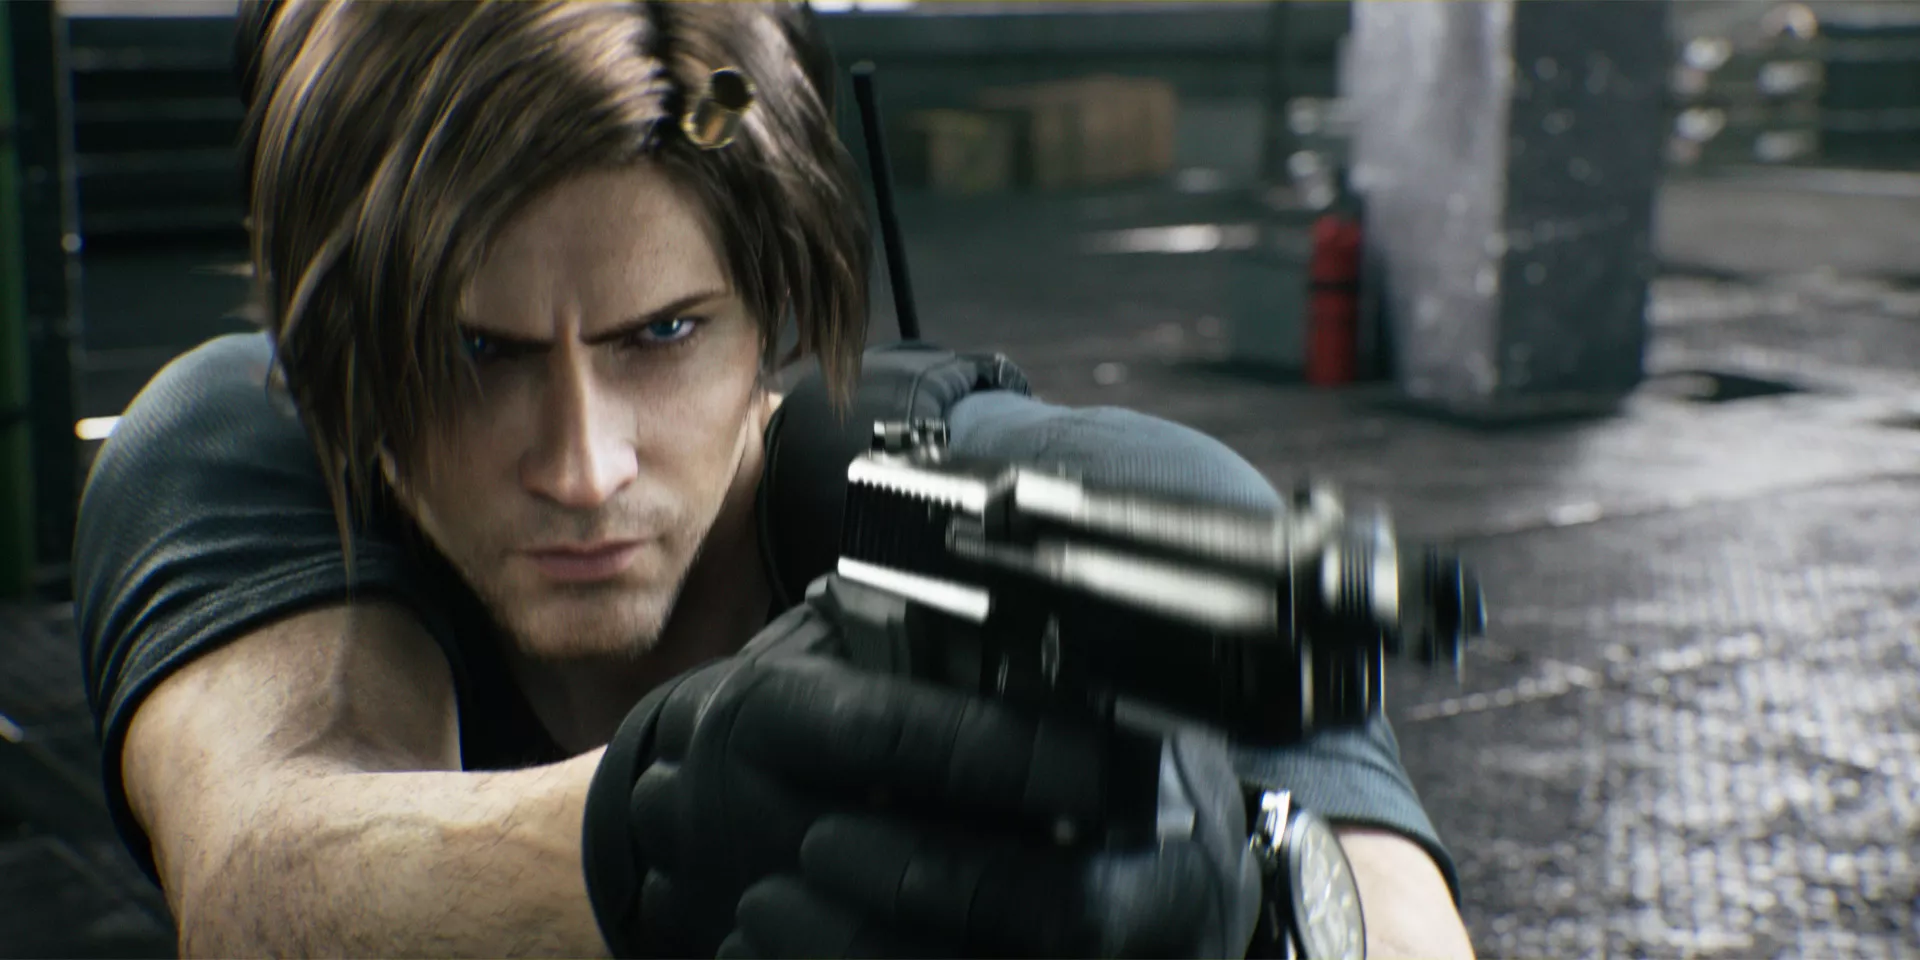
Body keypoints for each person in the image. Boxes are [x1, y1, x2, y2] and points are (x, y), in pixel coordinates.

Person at [72, 2, 1474, 956]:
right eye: (473, 353)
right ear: (337, 356)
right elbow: (260, 878)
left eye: (662, 336)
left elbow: (1395, 922)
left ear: (773, 317)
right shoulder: (250, 438)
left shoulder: (1091, 501)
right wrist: (659, 829)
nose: (582, 466)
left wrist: (1254, 907)